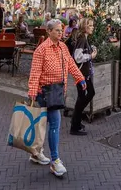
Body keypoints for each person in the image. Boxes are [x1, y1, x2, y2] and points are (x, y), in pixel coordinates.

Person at [27, 19, 87, 178]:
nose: (61, 33)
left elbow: (71, 65)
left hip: (57, 93)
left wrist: (80, 79)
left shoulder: (63, 48)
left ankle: (38, 154)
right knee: (48, 124)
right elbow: (35, 73)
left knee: (46, 125)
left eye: (62, 30)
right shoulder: (41, 50)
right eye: (57, 31)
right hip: (43, 93)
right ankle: (54, 160)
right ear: (49, 31)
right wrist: (32, 92)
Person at [69, 18, 97, 136]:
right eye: (90, 25)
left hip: (84, 73)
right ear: (85, 27)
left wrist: (91, 50)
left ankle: (76, 121)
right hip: (82, 74)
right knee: (88, 94)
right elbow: (78, 57)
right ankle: (75, 125)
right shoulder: (82, 39)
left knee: (84, 96)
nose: (92, 27)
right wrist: (91, 55)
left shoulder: (83, 38)